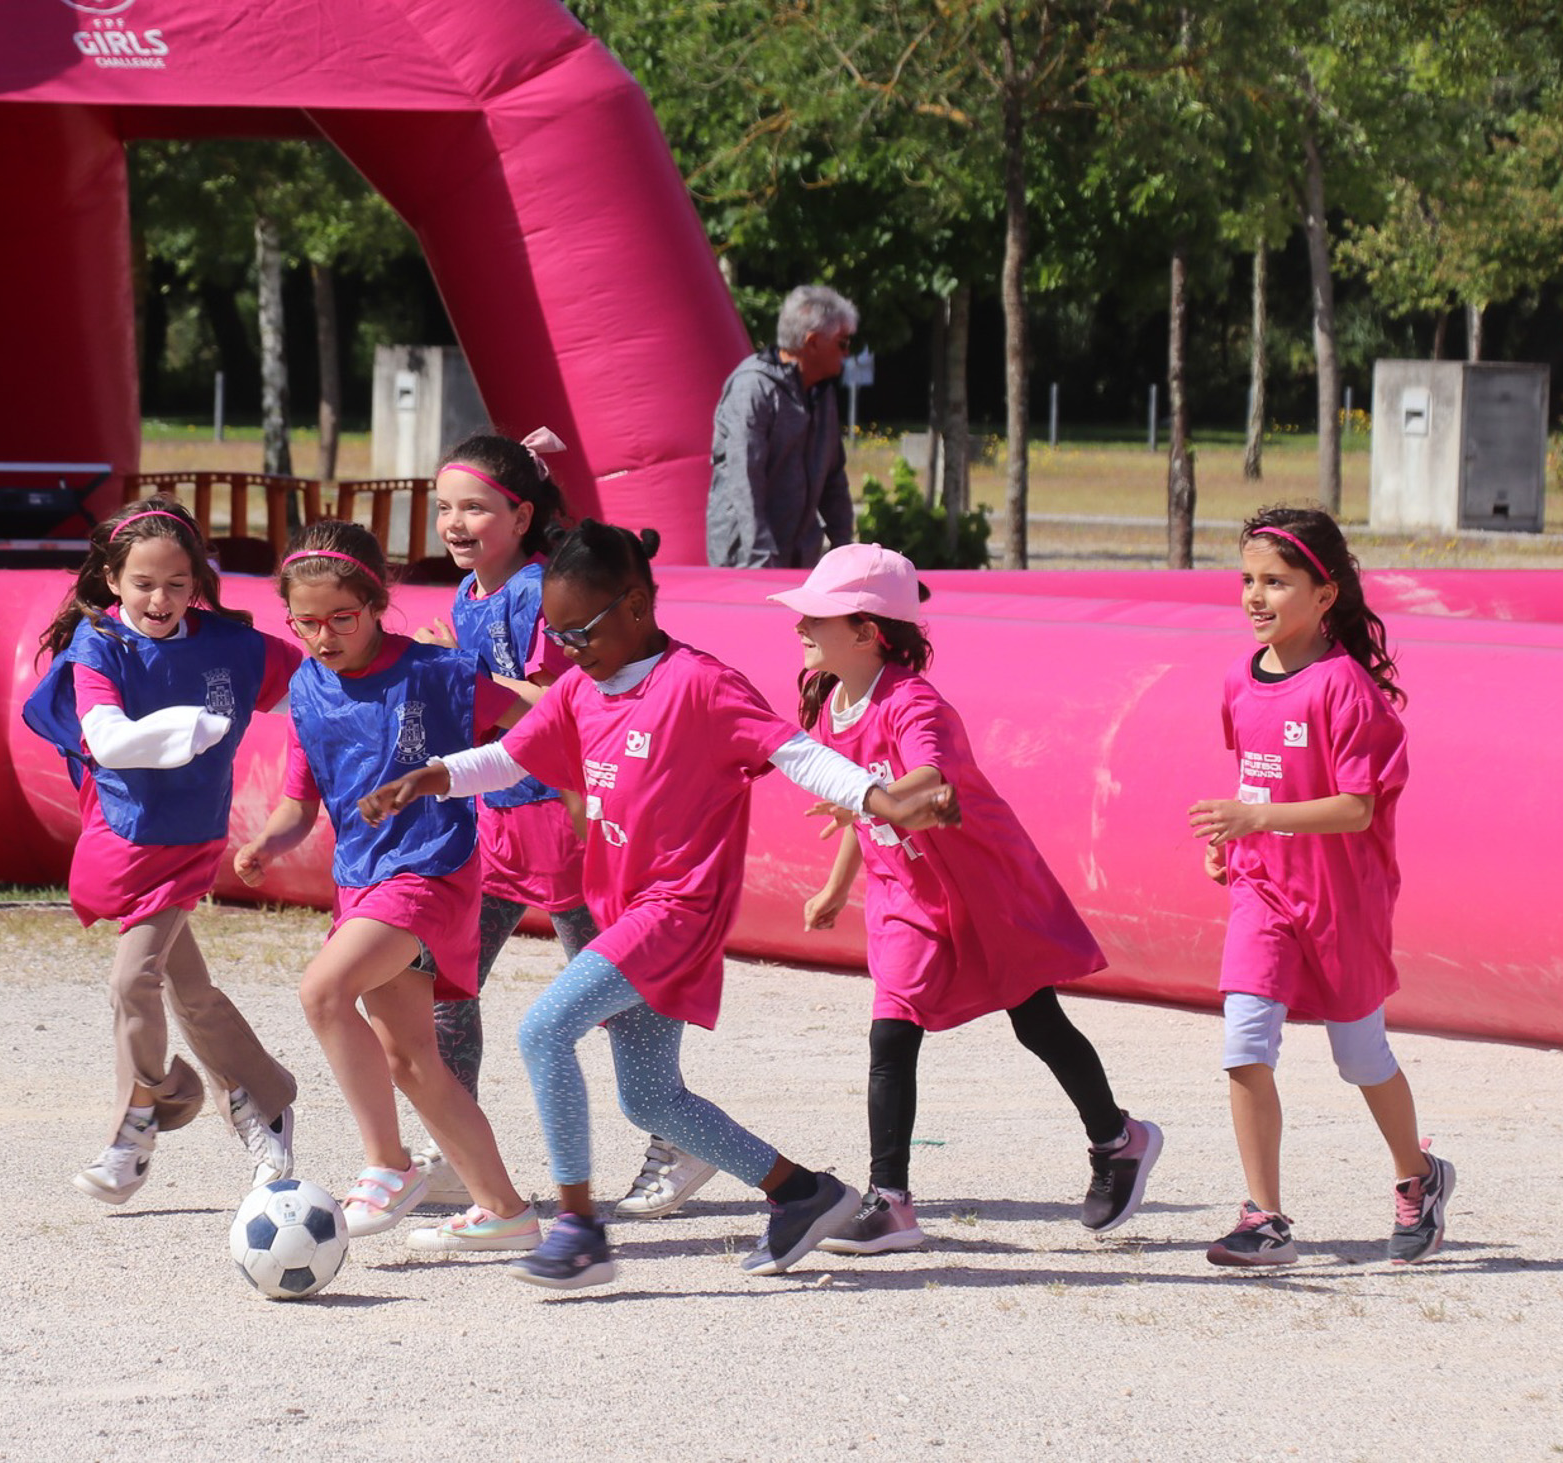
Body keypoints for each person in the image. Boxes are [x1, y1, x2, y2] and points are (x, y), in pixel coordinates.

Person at [359, 519, 960, 1291]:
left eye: (580, 630)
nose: (567, 648)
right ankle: (801, 1191)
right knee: (649, 1094)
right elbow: (512, 756)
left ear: (637, 606)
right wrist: (433, 774)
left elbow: (795, 753)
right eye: (557, 633)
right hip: (626, 909)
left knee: (545, 1029)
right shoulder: (579, 688)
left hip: (677, 910)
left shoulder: (700, 683)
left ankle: (577, 1227)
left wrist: (877, 798)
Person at [772, 544, 1162, 1256]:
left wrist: (878, 797)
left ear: (867, 630)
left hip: (979, 885)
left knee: (1036, 1018)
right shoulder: (831, 705)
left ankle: (1119, 1138)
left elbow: (931, 772)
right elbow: (867, 805)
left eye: (818, 614)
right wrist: (836, 882)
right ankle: (890, 1201)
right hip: (905, 896)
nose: (800, 623)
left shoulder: (911, 700)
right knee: (891, 1032)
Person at [233, 520, 542, 1254]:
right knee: (411, 1061)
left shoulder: (435, 673)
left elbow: (534, 722)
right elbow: (299, 803)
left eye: (341, 617)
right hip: (363, 884)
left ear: (376, 602)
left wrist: (561, 784)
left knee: (322, 991)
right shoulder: (307, 687)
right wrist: (267, 843)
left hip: (432, 871)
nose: (322, 637)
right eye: (305, 623)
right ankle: (506, 1211)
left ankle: (388, 1164)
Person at [1189, 507, 1455, 1267]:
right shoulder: (1240, 679)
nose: (1255, 595)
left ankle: (1419, 1175)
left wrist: (1256, 813)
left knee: (1360, 1055)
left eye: (1276, 581)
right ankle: (1263, 1215)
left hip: (1342, 903)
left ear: (1324, 592)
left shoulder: (1348, 692)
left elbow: (1356, 806)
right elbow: (1255, 776)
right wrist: (1236, 838)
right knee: (1244, 1041)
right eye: (1247, 579)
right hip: (1263, 893)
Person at [21, 495, 299, 1206]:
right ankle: (250, 1096)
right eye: (144, 582)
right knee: (190, 992)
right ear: (113, 579)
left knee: (130, 980)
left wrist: (419, 675)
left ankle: (136, 1124)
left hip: (189, 839)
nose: (161, 598)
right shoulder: (99, 646)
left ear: (197, 582)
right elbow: (108, 739)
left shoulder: (229, 647)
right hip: (121, 838)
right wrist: (193, 725)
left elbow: (323, 681)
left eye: (177, 583)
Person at [404, 428, 606, 1204]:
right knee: (446, 983)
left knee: (607, 990)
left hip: (562, 822)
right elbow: (481, 706)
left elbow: (560, 711)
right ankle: (459, 1150)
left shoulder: (535, 593)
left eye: (476, 508)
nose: (455, 523)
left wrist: (457, 672)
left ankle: (669, 1131)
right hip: (496, 821)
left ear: (521, 517)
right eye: (444, 506)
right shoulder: (468, 593)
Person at [705, 284, 859, 570]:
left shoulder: (822, 393)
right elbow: (745, 483)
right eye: (842, 343)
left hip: (799, 555)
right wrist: (761, 561)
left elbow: (833, 479)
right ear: (812, 342)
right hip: (746, 558)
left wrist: (845, 551)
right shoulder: (753, 388)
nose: (847, 353)